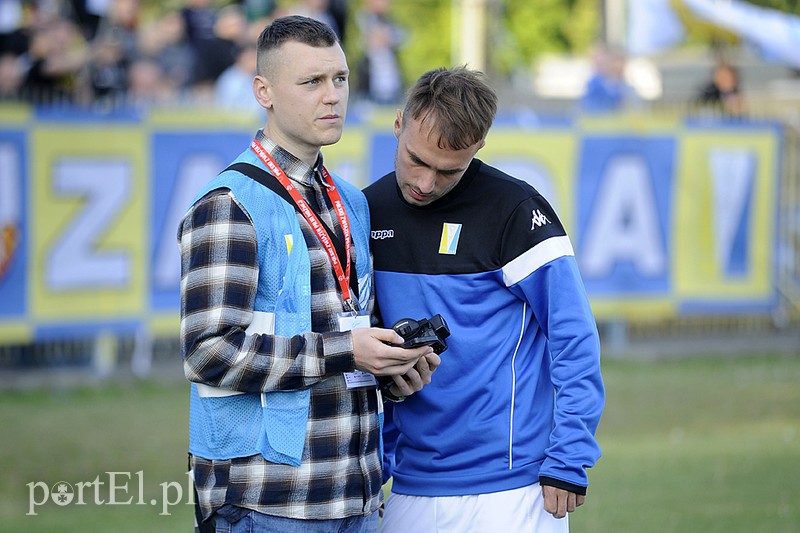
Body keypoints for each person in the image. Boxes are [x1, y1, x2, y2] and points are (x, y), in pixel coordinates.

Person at [177, 15, 439, 533]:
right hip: (265, 503)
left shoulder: (352, 203)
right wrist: (349, 351)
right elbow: (207, 352)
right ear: (264, 92)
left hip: (357, 494)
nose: (332, 96)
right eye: (312, 82)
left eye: (339, 79)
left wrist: (392, 368)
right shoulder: (230, 205)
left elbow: (347, 337)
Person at [364, 66, 605, 533]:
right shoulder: (365, 211)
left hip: (515, 492)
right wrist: (375, 469)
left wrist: (570, 456)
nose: (426, 183)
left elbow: (573, 336)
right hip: (408, 487)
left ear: (478, 148)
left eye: (448, 170)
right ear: (398, 123)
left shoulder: (516, 211)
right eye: (417, 159)